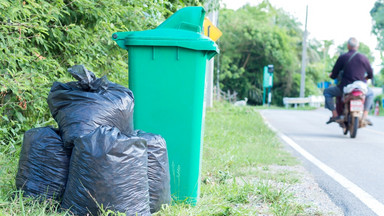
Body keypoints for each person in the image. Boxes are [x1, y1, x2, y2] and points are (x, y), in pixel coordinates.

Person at [323, 37, 374, 125]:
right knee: (371, 94)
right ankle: (365, 115)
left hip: (345, 88)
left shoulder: (343, 57)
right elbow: (371, 74)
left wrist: (332, 75)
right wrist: (365, 78)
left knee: (327, 92)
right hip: (360, 88)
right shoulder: (363, 58)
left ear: (348, 46)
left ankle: (335, 114)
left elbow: (334, 74)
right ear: (357, 46)